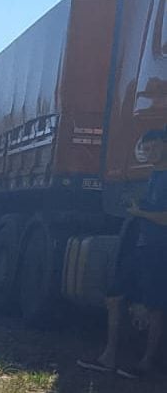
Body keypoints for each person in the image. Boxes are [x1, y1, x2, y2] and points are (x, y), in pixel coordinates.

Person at [78, 128, 167, 378]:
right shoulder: (155, 176)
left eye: (154, 148)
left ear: (165, 145)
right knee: (114, 298)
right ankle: (108, 356)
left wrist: (141, 213)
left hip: (158, 249)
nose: (149, 153)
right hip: (140, 246)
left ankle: (146, 364)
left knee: (155, 306)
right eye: (146, 149)